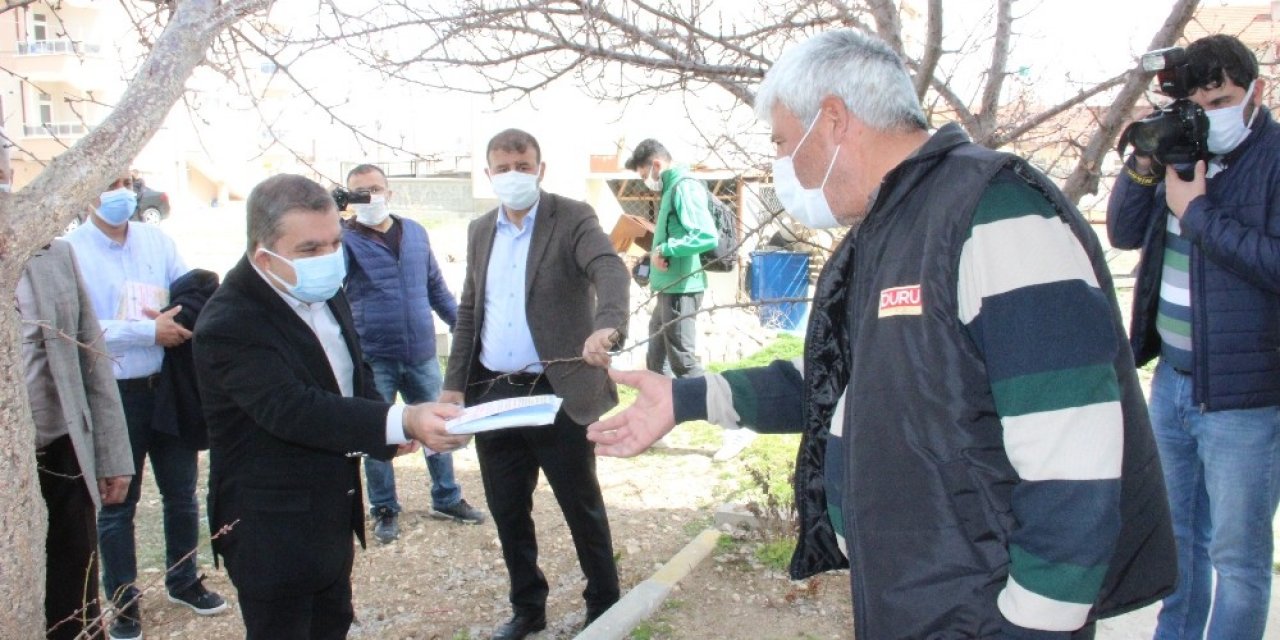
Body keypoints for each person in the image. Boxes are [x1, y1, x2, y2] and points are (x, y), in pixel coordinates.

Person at [589, 30, 1176, 637]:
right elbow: (847, 380)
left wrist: (1035, 624)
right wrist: (686, 398)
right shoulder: (888, 227)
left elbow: (1074, 451)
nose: (782, 164)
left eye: (785, 143)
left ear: (834, 121)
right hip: (918, 593)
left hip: (983, 612)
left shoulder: (993, 213)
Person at [192, 173, 471, 639]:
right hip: (272, 528)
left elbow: (350, 374)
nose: (328, 258)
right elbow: (293, 408)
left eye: (333, 243)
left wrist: (389, 434)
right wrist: (401, 418)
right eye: (309, 250)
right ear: (264, 254)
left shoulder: (321, 288)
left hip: (330, 515)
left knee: (331, 624)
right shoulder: (230, 321)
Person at [1107, 33, 1280, 640]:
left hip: (1247, 397)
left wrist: (1197, 211)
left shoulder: (1276, 158)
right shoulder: (1184, 146)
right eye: (1198, 103)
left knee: (1239, 562)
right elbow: (1124, 233)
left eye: (1223, 99)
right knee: (1178, 546)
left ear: (1255, 92)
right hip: (1172, 383)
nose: (1210, 114)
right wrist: (1146, 163)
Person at [441, 128, 628, 640]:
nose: (513, 176)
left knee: (580, 504)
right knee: (507, 509)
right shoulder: (481, 230)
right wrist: (453, 386)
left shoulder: (570, 217)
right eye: (502, 168)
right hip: (494, 394)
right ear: (488, 174)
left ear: (540, 169)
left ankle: (604, 602)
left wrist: (607, 324)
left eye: (522, 166)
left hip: (557, 388)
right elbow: (469, 310)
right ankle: (528, 608)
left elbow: (608, 268)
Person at [63, 174, 226, 640]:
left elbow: (190, 292)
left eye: (126, 181)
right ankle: (123, 601)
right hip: (114, 395)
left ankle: (183, 579)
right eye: (107, 182)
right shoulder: (72, 250)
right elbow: (77, 325)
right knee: (117, 504)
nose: (120, 191)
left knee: (181, 493)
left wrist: (181, 321)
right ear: (85, 190)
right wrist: (144, 332)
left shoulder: (157, 240)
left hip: (167, 387)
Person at [341, 163, 485, 545]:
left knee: (440, 425)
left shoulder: (416, 234)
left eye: (375, 189)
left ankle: (447, 496)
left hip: (421, 352)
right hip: (374, 356)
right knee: (379, 435)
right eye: (359, 192)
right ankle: (385, 508)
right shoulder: (344, 240)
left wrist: (463, 329)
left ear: (390, 192)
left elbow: (436, 287)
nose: (370, 198)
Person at [21, 239, 134, 640]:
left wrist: (112, 455)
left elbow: (91, 355)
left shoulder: (54, 252)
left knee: (73, 602)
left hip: (62, 453)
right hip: (9, 470)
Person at [623, 138, 714, 380]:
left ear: (656, 164)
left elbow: (705, 236)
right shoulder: (670, 188)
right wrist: (654, 255)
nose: (646, 182)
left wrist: (665, 250)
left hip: (682, 289)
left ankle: (724, 407)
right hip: (669, 287)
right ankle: (664, 413)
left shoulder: (684, 187)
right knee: (656, 362)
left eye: (644, 175)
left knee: (683, 364)